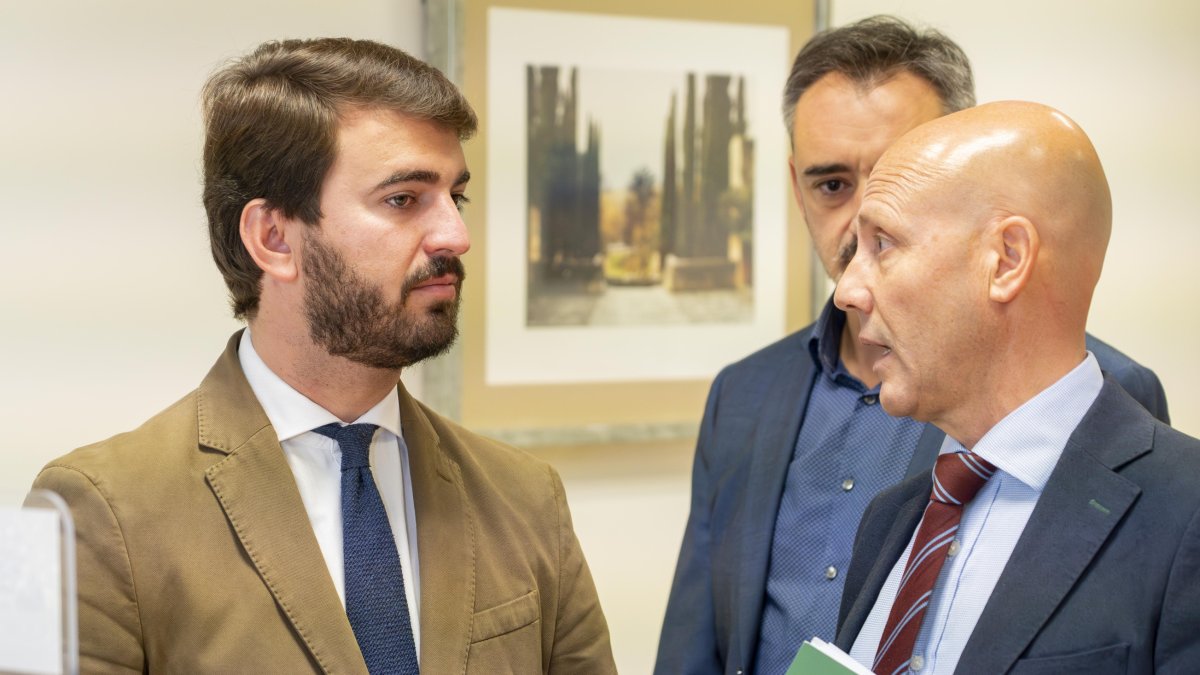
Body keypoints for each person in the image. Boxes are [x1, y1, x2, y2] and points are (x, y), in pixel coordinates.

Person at [32, 38, 615, 674]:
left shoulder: (526, 497)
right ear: (274, 238)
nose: (456, 235)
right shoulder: (92, 513)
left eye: (457, 197)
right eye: (403, 199)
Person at [654, 16, 1168, 675]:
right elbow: (695, 647)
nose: (867, 215)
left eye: (904, 175)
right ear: (795, 186)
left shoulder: (1106, 392)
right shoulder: (744, 394)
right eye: (832, 185)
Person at [833, 101, 1200, 674]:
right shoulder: (890, 519)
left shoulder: (1184, 514)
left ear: (1006, 260)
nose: (847, 291)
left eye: (883, 243)